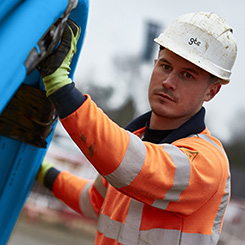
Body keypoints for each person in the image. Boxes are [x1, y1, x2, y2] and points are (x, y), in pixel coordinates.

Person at [36, 12, 237, 245]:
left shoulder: (207, 162)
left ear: (212, 92)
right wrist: (40, 170)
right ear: (154, 66)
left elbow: (139, 166)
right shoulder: (136, 143)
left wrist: (61, 89)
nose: (169, 82)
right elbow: (93, 201)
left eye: (187, 75)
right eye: (165, 66)